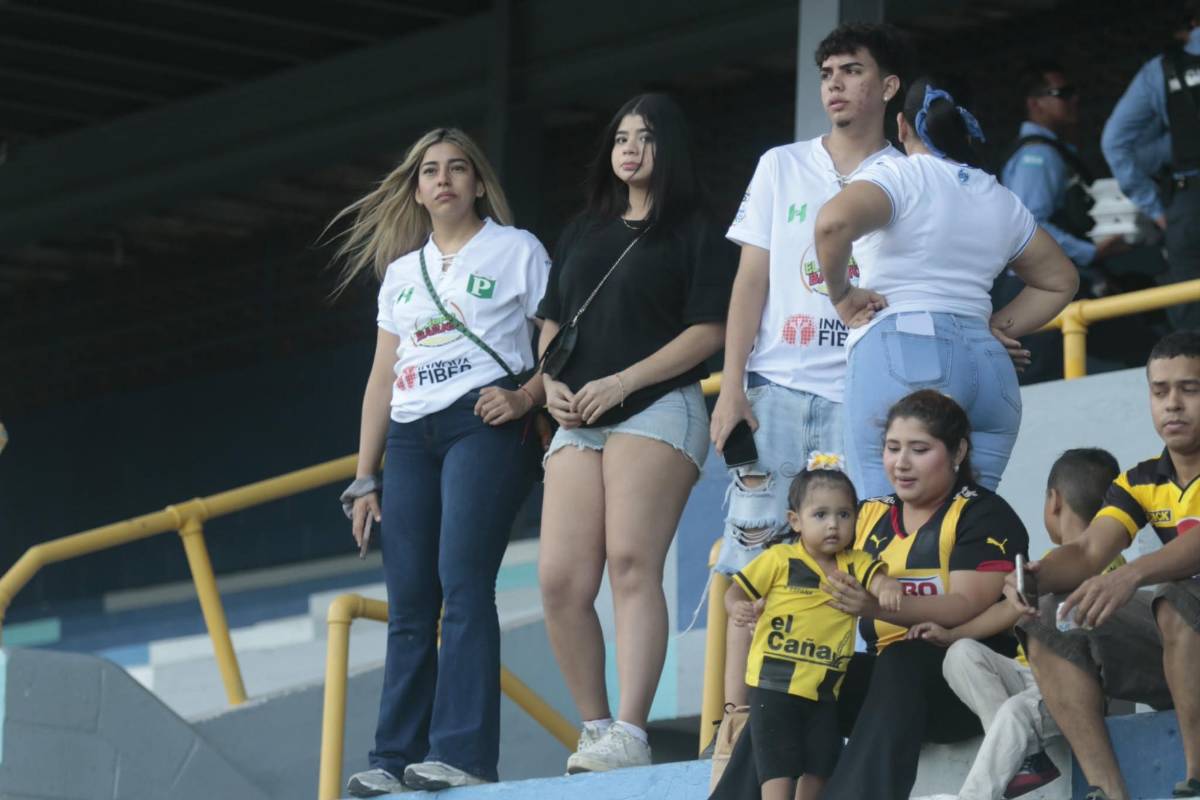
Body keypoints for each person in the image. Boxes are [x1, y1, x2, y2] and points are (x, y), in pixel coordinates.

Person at [332, 128, 549, 796]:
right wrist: (365, 476)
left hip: (481, 423)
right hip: (408, 435)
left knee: (461, 583)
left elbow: (557, 338)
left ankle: (463, 753)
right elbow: (381, 375)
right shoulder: (402, 272)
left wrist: (525, 397)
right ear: (418, 188)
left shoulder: (517, 250)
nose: (444, 179)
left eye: (458, 168)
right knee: (408, 603)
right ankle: (394, 757)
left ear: (479, 182)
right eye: (431, 171)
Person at [709, 21, 914, 718]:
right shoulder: (781, 165)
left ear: (887, 87)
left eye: (852, 70)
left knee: (861, 561)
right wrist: (732, 384)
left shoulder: (914, 172)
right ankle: (735, 721)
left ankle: (840, 712)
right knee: (753, 560)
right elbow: (749, 282)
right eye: (827, 72)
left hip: (870, 395)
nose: (835, 84)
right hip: (779, 389)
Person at [536, 93, 737, 773]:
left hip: (657, 407)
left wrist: (623, 383)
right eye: (621, 137)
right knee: (560, 580)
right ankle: (595, 728)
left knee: (630, 560)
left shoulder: (699, 230)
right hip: (577, 417)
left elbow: (710, 331)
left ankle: (631, 728)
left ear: (668, 148)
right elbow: (554, 319)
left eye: (645, 137)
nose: (629, 149)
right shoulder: (584, 229)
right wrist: (549, 381)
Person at [713, 390, 1030, 800]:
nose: (901, 463)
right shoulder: (864, 515)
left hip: (966, 686)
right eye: (892, 448)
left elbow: (965, 605)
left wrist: (873, 605)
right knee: (790, 681)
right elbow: (799, 560)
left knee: (904, 658)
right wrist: (759, 607)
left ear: (958, 451)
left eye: (919, 449)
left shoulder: (982, 513)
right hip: (889, 688)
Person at [816, 77, 1079, 499]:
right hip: (989, 367)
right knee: (969, 532)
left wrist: (843, 296)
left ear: (901, 126)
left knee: (887, 528)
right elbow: (1061, 281)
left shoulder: (897, 174)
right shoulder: (998, 196)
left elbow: (832, 224)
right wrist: (994, 327)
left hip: (901, 354)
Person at [1005, 331, 1200, 800]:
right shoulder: (1138, 482)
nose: (1172, 404)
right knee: (1051, 614)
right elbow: (1090, 551)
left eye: (1189, 389)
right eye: (1160, 391)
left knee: (1175, 598)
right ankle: (1106, 790)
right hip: (1182, 644)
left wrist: (1134, 573)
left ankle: (1196, 775)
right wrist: (1033, 577)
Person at [909, 448, 1124, 800]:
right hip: (1033, 676)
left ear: (1053, 502)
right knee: (961, 654)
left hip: (1075, 688)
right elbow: (1012, 611)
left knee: (1013, 712)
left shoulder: (1106, 567)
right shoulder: (1052, 567)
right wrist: (951, 634)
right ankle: (1025, 763)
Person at [725, 458, 902, 800]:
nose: (833, 525)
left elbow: (877, 579)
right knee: (777, 769)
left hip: (825, 692)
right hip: (773, 686)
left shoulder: (857, 562)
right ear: (796, 520)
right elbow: (736, 591)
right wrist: (737, 607)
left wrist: (888, 588)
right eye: (820, 515)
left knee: (821, 767)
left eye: (844, 515)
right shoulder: (778, 559)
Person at [995, 61, 1129, 383]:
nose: (1074, 100)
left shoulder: (1054, 151)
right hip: (1034, 288)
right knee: (1044, 384)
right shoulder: (1037, 156)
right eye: (1063, 94)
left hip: (1051, 285)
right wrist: (1090, 251)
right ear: (1035, 104)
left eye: (1074, 93)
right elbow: (1029, 225)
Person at [1102, 1, 1200, 332]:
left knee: (1191, 327)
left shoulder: (1163, 70)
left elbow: (1115, 143)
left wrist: (1158, 210)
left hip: (1190, 206)